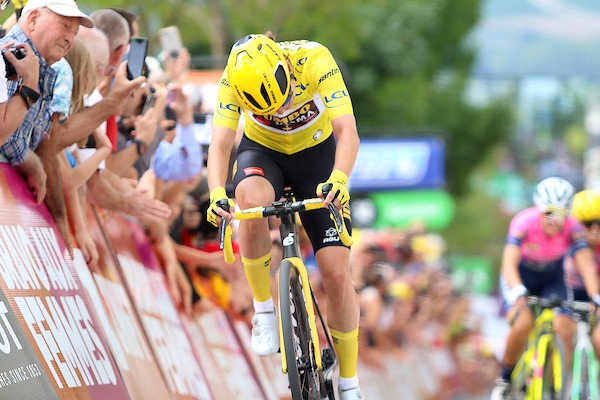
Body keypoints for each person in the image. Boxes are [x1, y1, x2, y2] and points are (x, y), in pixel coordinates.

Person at [207, 33, 363, 399]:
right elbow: (221, 143)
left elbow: (348, 131)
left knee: (337, 275)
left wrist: (339, 178)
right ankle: (263, 310)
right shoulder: (231, 78)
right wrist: (216, 193)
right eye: (267, 111)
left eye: (285, 101)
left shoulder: (314, 59)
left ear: (286, 68)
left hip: (317, 158)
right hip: (264, 155)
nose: (279, 113)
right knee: (246, 198)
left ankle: (350, 383)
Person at [491, 177, 600, 399]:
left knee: (565, 326)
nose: (554, 220)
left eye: (561, 214)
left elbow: (585, 262)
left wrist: (594, 295)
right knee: (523, 323)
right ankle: (504, 378)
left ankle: (556, 386)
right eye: (549, 212)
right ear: (539, 208)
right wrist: (517, 289)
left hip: (552, 277)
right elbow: (509, 262)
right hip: (521, 275)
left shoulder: (573, 228)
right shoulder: (524, 222)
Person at [565, 189, 600, 359]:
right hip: (567, 296)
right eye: (588, 224)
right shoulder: (565, 243)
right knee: (563, 331)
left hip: (595, 298)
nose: (594, 229)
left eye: (599, 223)